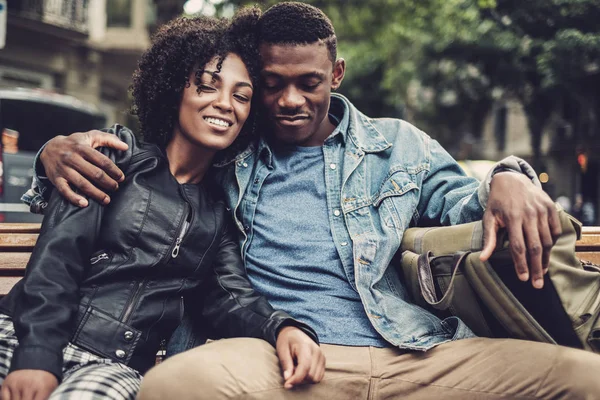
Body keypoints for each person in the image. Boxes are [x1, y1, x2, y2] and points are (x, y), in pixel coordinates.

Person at [25, 2, 600, 399]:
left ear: (337, 74)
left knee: (584, 378)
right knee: (174, 386)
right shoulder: (231, 160)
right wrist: (53, 147)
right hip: (286, 361)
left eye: (310, 82)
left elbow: (461, 201)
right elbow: (162, 175)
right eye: (270, 84)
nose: (289, 100)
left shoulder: (397, 145)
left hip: (416, 353)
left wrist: (509, 175)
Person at [0, 9, 324, 400]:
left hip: (112, 367)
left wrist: (283, 327)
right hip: (21, 334)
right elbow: (58, 262)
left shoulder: (219, 213)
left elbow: (231, 295)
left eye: (241, 96)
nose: (226, 104)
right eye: (207, 86)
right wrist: (36, 356)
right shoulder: (116, 155)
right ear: (175, 91)